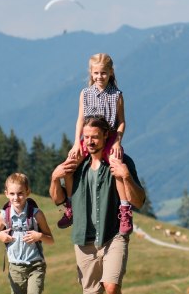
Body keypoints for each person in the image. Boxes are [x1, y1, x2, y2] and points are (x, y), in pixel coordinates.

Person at [50, 115, 145, 294]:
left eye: (95, 136)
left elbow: (138, 200)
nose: (90, 141)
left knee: (111, 287)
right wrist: (54, 177)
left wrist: (125, 176)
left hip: (113, 233)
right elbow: (58, 200)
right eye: (86, 137)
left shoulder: (119, 161)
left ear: (106, 136)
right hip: (84, 238)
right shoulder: (76, 164)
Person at [57, 53, 134, 236]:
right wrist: (77, 143)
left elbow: (122, 121)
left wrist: (117, 141)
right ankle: (71, 206)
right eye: (96, 73)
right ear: (91, 73)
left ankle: (124, 210)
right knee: (68, 166)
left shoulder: (117, 95)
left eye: (104, 73)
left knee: (116, 165)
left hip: (109, 138)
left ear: (111, 73)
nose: (100, 77)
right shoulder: (85, 93)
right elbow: (80, 120)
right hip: (88, 138)